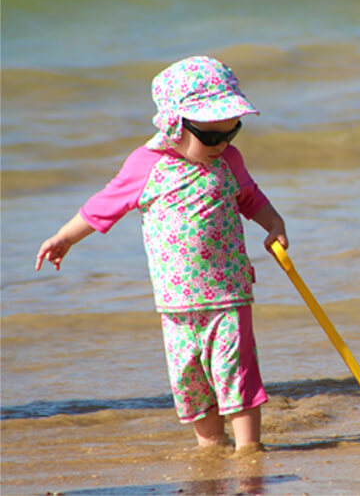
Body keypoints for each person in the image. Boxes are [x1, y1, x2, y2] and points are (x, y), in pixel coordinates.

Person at [35, 56, 288, 453]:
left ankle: (249, 451)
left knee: (235, 373)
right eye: (210, 136)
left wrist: (274, 223)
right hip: (175, 302)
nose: (221, 144)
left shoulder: (228, 162)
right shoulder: (146, 165)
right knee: (191, 381)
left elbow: (250, 198)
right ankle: (211, 447)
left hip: (228, 292)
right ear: (175, 124)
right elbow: (105, 204)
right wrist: (65, 237)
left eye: (231, 133)